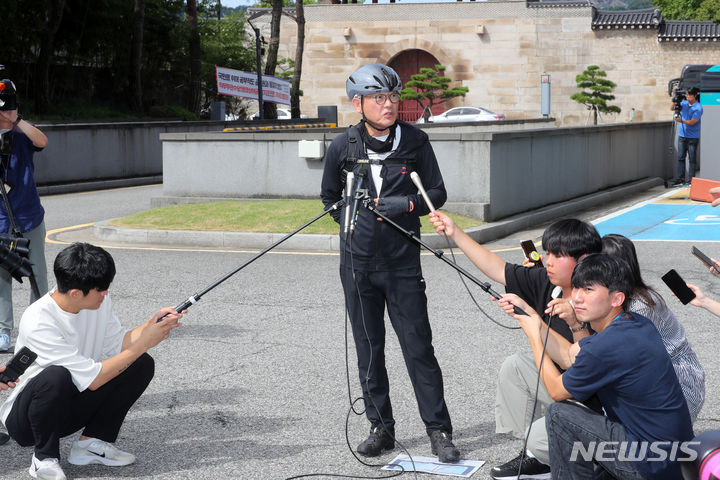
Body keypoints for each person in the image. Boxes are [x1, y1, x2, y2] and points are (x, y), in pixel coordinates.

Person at [320, 64, 460, 462]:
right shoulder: (342, 146)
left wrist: (404, 205)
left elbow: (437, 191)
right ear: (357, 103)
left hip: (402, 263)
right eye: (379, 97)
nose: (388, 104)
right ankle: (381, 427)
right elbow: (329, 196)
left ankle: (439, 431)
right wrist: (353, 223)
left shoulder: (415, 140)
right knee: (369, 349)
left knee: (419, 349)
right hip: (358, 265)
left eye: (394, 97)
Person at [430, 212, 601, 479]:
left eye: (557, 255)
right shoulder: (548, 281)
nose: (548, 261)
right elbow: (497, 268)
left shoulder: (597, 299)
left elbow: (585, 366)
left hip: (595, 404)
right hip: (565, 384)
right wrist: (454, 232)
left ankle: (587, 460)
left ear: (583, 261)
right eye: (547, 253)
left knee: (547, 431)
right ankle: (536, 455)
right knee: (516, 367)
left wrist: (539, 324)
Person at [498, 254, 694, 480]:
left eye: (589, 290)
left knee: (559, 414)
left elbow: (556, 390)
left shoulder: (608, 345)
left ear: (616, 298)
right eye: (577, 289)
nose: (578, 298)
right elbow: (571, 356)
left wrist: (534, 337)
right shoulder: (635, 324)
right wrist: (532, 315)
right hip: (671, 457)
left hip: (648, 463)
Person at [0, 243, 183, 480]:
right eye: (101, 290)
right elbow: (95, 379)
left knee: (141, 363)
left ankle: (91, 444)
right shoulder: (39, 319)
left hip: (71, 401)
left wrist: (151, 326)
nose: (106, 293)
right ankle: (43, 459)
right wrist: (144, 342)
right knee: (56, 376)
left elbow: (120, 342)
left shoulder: (96, 301)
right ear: (76, 293)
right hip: (28, 420)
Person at [601, 234, 704, 422]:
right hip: (661, 377)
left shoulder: (639, 306)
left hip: (679, 383)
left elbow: (617, 354)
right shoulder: (621, 298)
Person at [0, 78, 50, 352]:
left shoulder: (22, 134)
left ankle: (37, 329)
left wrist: (16, 120)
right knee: (1, 275)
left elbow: (43, 140)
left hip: (29, 214)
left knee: (37, 273)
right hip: (0, 218)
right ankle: (4, 331)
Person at [672, 86, 703, 186]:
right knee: (680, 157)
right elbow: (672, 108)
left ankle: (691, 181)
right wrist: (675, 99)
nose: (687, 97)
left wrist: (681, 121)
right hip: (682, 135)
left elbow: (692, 122)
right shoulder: (684, 103)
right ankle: (680, 179)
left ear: (694, 96)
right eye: (686, 95)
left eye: (689, 95)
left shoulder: (698, 107)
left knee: (692, 159)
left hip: (693, 137)